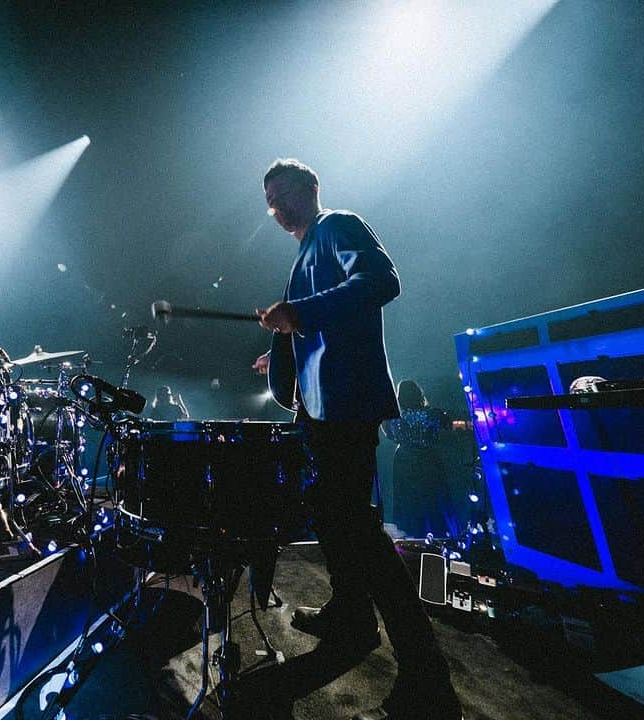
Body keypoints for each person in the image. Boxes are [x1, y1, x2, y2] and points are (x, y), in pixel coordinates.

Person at [253, 159, 462, 720]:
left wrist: (299, 313)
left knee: (360, 532)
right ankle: (350, 615)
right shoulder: (305, 254)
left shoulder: (339, 225)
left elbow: (380, 282)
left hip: (347, 406)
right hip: (322, 409)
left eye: (283, 194)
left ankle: (428, 680)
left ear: (311, 189)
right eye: (269, 199)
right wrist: (280, 347)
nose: (275, 206)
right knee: (330, 513)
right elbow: (315, 332)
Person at [383, 379, 455, 539]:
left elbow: (388, 434)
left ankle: (412, 538)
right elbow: (449, 426)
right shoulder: (433, 414)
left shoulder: (393, 419)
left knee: (408, 503)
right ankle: (439, 538)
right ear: (418, 394)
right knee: (433, 501)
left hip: (404, 462)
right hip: (428, 459)